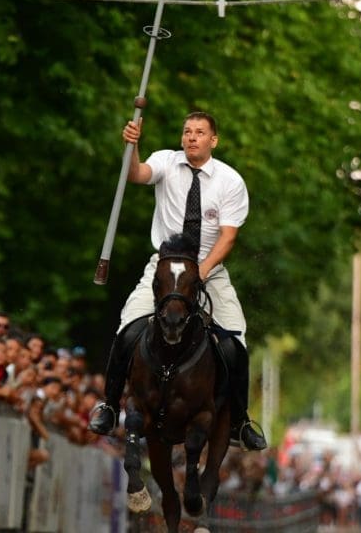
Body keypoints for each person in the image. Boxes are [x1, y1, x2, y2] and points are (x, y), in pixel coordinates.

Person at [88, 112, 267, 451]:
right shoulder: (166, 162)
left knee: (235, 344)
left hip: (209, 269)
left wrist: (202, 271)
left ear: (213, 140)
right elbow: (136, 174)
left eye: (199, 132)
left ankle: (240, 421)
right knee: (127, 330)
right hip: (165, 267)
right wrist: (132, 146)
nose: (191, 137)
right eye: (187, 132)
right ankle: (110, 406)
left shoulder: (230, 181)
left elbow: (228, 237)